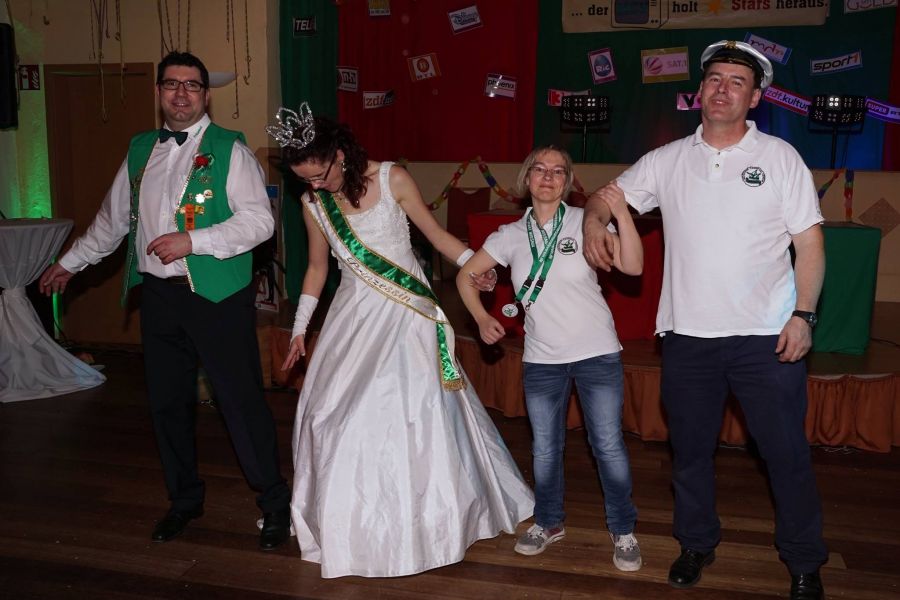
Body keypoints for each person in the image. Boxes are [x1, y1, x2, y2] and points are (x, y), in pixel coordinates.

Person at [582, 41, 828, 600]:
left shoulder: (780, 158)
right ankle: (695, 542)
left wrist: (803, 315)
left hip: (766, 337)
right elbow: (604, 197)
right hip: (688, 338)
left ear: (755, 98)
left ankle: (804, 560)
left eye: (737, 82)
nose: (722, 89)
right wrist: (596, 222)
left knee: (785, 456)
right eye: (714, 78)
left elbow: (810, 245)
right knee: (690, 455)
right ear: (700, 91)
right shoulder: (667, 159)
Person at [38, 51, 292, 551]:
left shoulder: (230, 149)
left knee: (240, 403)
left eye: (191, 85)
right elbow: (113, 222)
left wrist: (192, 241)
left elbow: (260, 222)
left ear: (205, 95)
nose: (181, 93)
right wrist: (71, 262)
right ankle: (184, 500)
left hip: (217, 297)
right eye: (172, 84)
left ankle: (274, 503)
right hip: (159, 297)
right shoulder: (140, 149)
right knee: (167, 404)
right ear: (158, 92)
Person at [269, 104, 534, 578]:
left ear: (339, 154)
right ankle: (352, 526)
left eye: (319, 175)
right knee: (330, 417)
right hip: (352, 317)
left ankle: (428, 523)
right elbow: (317, 268)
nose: (314, 186)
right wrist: (300, 327)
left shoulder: (392, 178)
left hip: (406, 314)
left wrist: (476, 265)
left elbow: (435, 236)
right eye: (304, 180)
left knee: (412, 413)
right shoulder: (314, 203)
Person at [456, 146, 644, 572]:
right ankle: (548, 521)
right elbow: (467, 276)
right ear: (527, 178)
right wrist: (481, 318)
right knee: (544, 448)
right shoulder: (508, 235)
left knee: (608, 445)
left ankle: (623, 529)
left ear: (567, 181)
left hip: (597, 353)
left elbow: (633, 267)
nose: (547, 176)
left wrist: (621, 213)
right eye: (539, 169)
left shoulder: (585, 221)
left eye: (558, 171)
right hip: (541, 360)